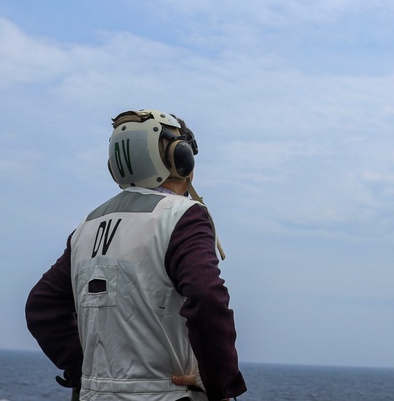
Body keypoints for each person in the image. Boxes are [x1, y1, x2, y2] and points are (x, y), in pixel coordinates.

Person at [26, 109, 246, 401]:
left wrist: (87, 370)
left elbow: (41, 307)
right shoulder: (182, 217)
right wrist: (219, 382)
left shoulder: (87, 226)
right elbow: (206, 297)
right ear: (181, 158)